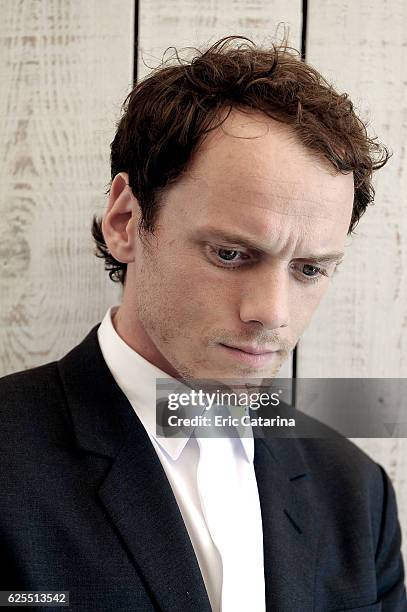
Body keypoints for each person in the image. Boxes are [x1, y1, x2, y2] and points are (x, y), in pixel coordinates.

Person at [0, 35, 406, 611]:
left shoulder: (358, 494)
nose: (273, 313)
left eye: (310, 268)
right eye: (230, 254)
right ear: (125, 221)